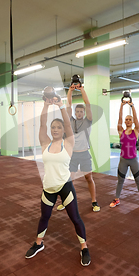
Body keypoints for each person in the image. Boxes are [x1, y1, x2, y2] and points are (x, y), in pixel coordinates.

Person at [25, 96, 90, 266]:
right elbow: (42, 124)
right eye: (53, 127)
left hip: (65, 186)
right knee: (44, 217)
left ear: (63, 130)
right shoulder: (45, 142)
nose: (55, 129)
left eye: (58, 127)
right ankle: (39, 243)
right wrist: (46, 106)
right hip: (48, 188)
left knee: (75, 218)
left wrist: (61, 105)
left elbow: (69, 125)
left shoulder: (68, 143)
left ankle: (84, 247)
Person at [56, 84, 100, 212]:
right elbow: (68, 105)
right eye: (77, 111)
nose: (79, 113)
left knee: (89, 178)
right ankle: (66, 201)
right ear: (75, 113)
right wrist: (69, 91)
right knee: (69, 180)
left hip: (84, 154)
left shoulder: (88, 121)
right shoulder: (71, 121)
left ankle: (94, 201)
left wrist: (82, 89)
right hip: (73, 155)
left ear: (84, 113)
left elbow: (87, 103)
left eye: (81, 111)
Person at [110, 99, 139, 211]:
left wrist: (132, 106)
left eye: (129, 120)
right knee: (120, 181)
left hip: (133, 160)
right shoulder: (121, 131)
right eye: (126, 119)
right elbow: (119, 119)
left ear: (132, 122)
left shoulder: (135, 131)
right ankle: (117, 199)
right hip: (123, 160)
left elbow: (136, 119)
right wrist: (121, 106)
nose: (127, 121)